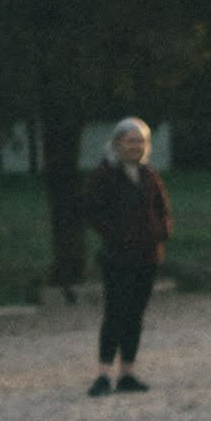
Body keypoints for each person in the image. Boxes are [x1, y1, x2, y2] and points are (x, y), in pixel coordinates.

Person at [77, 117, 171, 396]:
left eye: (140, 141)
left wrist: (161, 232)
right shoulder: (105, 175)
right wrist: (116, 234)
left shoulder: (149, 175)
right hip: (118, 256)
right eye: (130, 141)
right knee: (115, 312)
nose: (136, 146)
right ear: (117, 143)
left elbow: (162, 208)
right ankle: (104, 373)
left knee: (135, 314)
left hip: (147, 256)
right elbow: (92, 211)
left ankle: (127, 372)